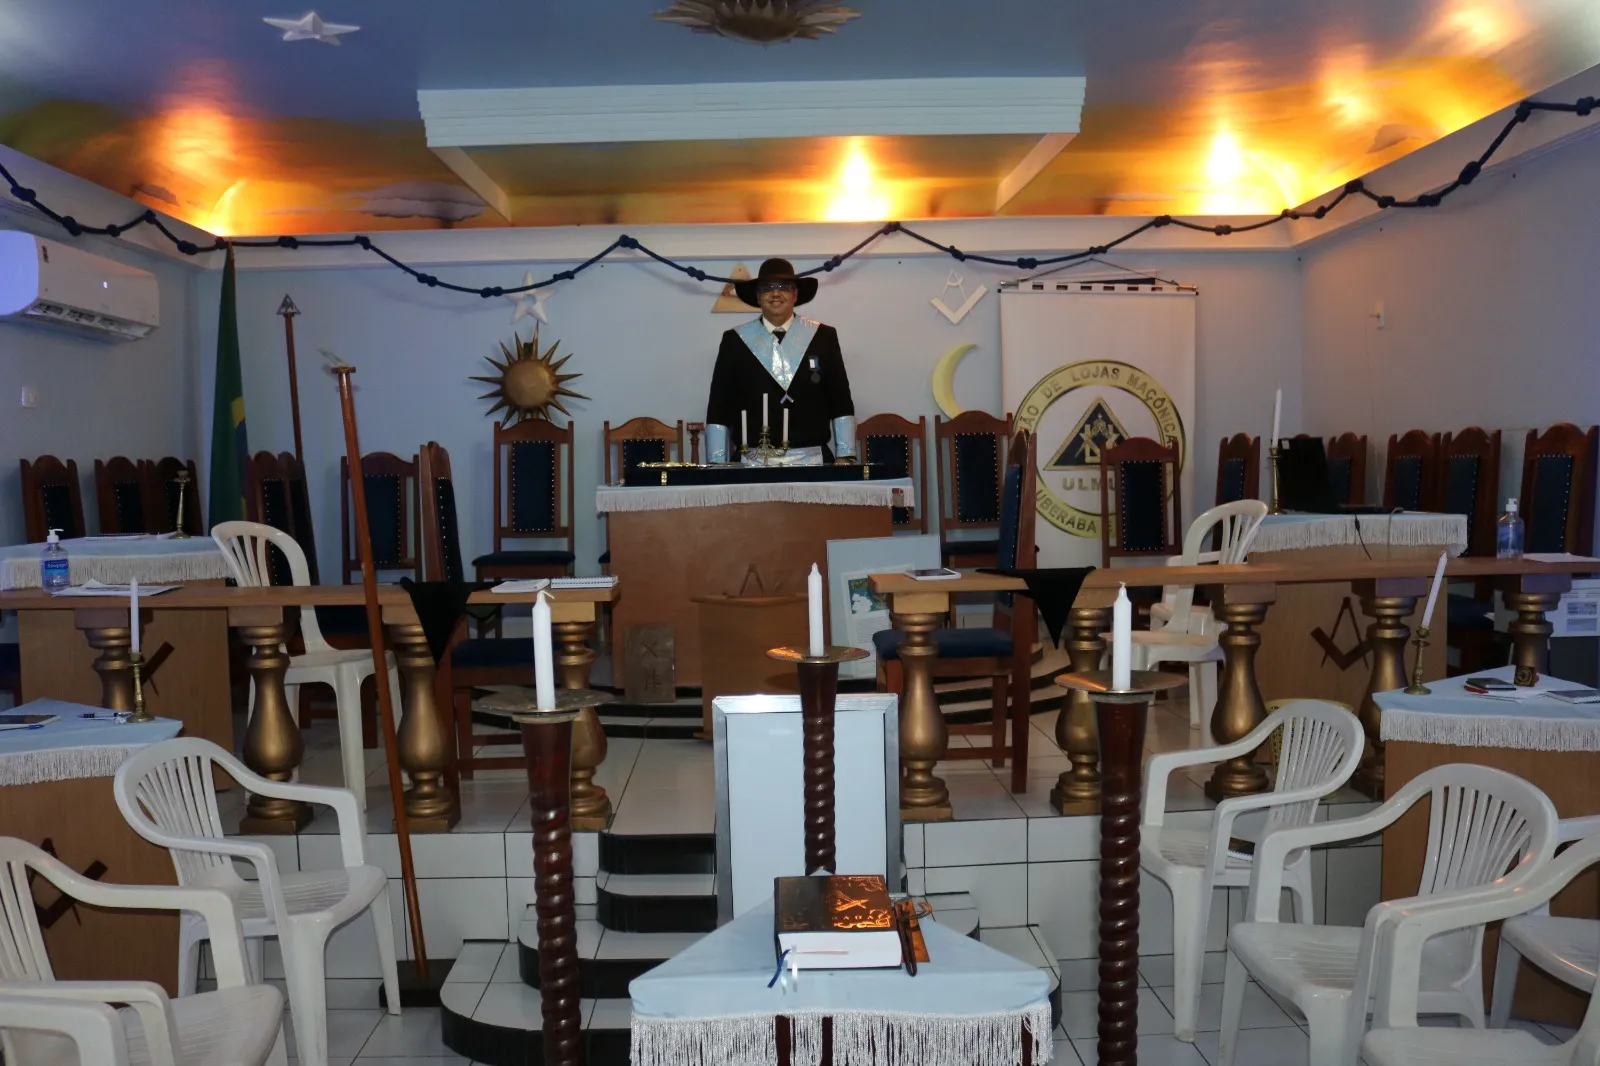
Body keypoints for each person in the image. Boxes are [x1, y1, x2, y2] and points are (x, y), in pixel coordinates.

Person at [705, 258, 856, 464]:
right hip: (752, 462)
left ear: (795, 294)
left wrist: (845, 455)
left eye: (784, 287)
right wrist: (716, 462)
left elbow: (840, 399)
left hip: (813, 460)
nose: (775, 293)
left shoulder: (823, 336)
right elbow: (719, 405)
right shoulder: (734, 340)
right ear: (758, 297)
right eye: (767, 288)